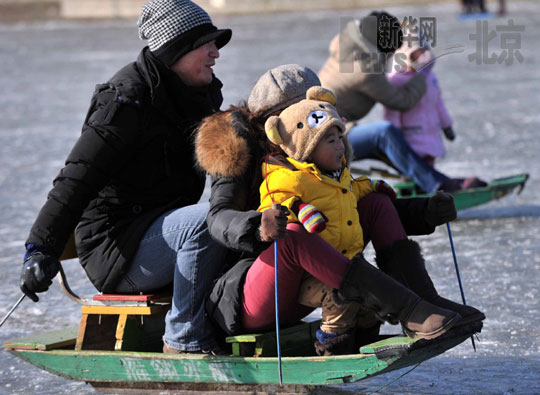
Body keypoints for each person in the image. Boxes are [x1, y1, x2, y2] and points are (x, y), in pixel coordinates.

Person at [196, 64, 484, 355]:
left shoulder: (315, 153)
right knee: (293, 233)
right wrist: (259, 225)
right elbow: (218, 218)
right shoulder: (242, 150)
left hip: (312, 285)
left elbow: (346, 202)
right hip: (254, 290)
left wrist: (424, 211)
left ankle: (423, 300)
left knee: (375, 202)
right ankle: (406, 307)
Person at [19, 0, 231, 355]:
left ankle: (235, 326)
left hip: (160, 231)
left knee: (238, 219)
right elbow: (76, 179)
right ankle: (184, 340)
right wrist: (39, 248)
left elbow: (226, 165)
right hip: (118, 250)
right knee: (204, 223)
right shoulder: (125, 102)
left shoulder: (198, 95)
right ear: (175, 48)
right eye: (205, 44)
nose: (215, 53)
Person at [318, 11, 485, 193]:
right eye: (391, 51)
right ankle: (438, 184)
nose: (393, 55)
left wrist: (401, 27)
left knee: (386, 143)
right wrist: (422, 72)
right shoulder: (365, 71)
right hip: (326, 138)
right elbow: (403, 101)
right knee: (384, 134)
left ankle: (423, 181)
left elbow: (374, 24)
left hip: (328, 130)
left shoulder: (349, 42)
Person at [384, 41, 455, 168]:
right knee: (413, 169)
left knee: (429, 167)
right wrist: (395, 137)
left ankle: (431, 187)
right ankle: (409, 186)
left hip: (431, 134)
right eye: (418, 52)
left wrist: (446, 126)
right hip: (410, 138)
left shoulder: (430, 77)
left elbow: (438, 103)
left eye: (424, 51)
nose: (423, 56)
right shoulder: (397, 80)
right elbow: (392, 112)